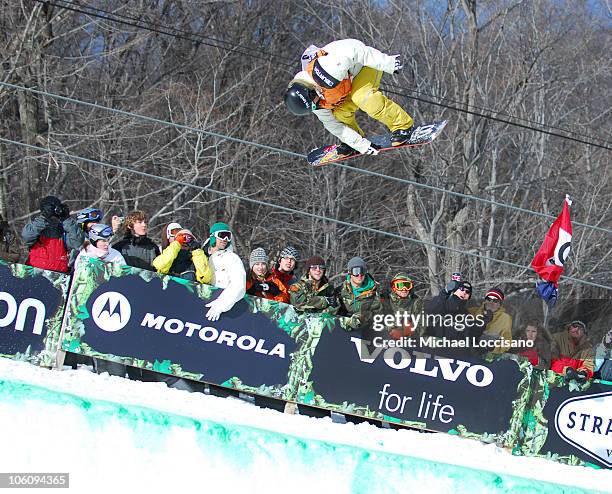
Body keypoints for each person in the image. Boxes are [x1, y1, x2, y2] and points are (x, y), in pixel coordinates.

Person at [285, 39, 414, 157]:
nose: (316, 107)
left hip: (364, 65)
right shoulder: (316, 102)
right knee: (339, 113)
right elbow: (334, 126)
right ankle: (354, 138)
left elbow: (357, 52)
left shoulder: (327, 69)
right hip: (348, 80)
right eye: (312, 108)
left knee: (363, 97)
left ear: (311, 92)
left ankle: (403, 125)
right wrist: (359, 144)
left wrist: (388, 63)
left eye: (313, 105)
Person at [21, 196, 82, 272]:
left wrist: (67, 219)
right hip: (35, 271)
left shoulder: (64, 229)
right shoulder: (38, 227)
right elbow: (26, 236)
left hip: (58, 275)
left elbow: (77, 243)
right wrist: (44, 217)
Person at [424, 278, 484, 350]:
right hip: (430, 349)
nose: (464, 292)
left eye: (467, 292)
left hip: (451, 354)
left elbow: (470, 339)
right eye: (461, 289)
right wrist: (445, 292)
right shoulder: (442, 304)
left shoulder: (467, 316)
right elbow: (431, 310)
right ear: (454, 291)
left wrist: (484, 322)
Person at [203, 222, 246, 321]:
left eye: (228, 236)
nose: (225, 240)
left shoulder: (231, 258)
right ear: (213, 236)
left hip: (221, 308)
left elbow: (239, 284)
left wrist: (220, 304)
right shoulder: (201, 256)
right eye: (222, 235)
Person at [336, 256, 383, 340]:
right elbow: (333, 313)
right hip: (344, 335)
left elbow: (381, 314)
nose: (359, 275)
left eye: (362, 271)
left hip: (368, 336)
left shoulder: (376, 291)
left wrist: (363, 317)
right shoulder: (340, 291)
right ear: (350, 272)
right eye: (356, 271)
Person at [469, 288, 513, 354]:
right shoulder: (472, 311)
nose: (491, 303)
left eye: (495, 301)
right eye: (489, 299)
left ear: (500, 304)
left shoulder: (505, 318)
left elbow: (507, 342)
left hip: (486, 355)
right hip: (466, 350)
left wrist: (493, 347)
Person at [381, 272, 422, 340]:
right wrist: (391, 329)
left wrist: (407, 331)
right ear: (394, 287)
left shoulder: (416, 302)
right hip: (383, 341)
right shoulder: (385, 301)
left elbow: (422, 325)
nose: (404, 288)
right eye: (400, 285)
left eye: (407, 285)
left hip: (409, 343)